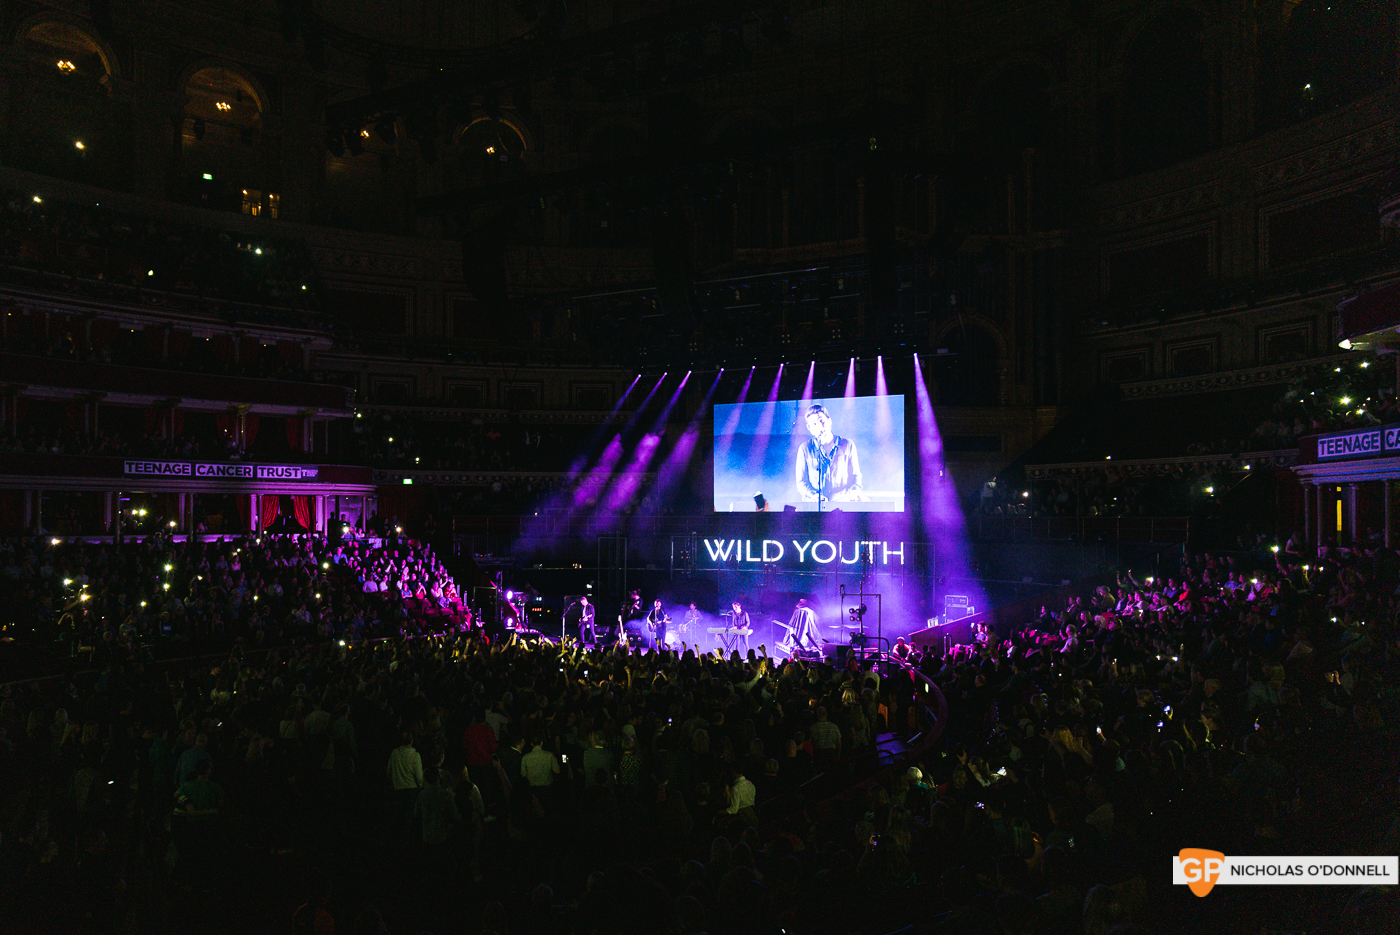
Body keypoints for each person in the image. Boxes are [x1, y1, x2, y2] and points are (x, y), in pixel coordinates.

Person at [796, 403, 864, 507]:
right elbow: (801, 482)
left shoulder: (847, 445)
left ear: (829, 421)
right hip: (814, 507)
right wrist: (814, 495)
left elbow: (855, 476)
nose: (819, 426)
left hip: (841, 506)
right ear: (809, 428)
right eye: (814, 424)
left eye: (821, 421)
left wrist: (854, 492)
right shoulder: (805, 448)